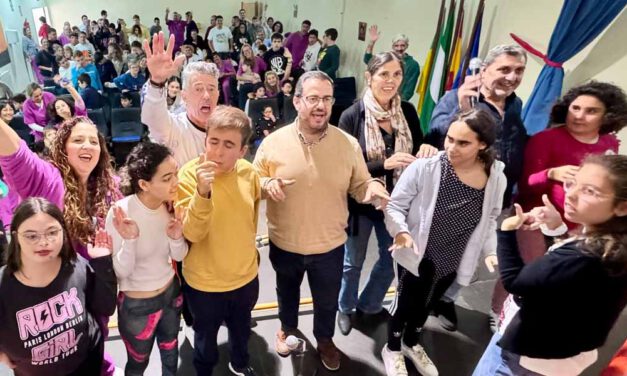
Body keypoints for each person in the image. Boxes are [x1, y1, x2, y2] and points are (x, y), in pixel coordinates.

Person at [253, 71, 391, 371]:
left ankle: (325, 339)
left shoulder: (347, 144)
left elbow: (359, 184)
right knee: (286, 292)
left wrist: (373, 189)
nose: (321, 106)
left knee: (327, 301)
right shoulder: (272, 143)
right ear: (297, 100)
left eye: (327, 99)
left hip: (329, 245)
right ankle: (287, 328)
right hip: (285, 242)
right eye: (313, 98)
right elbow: (254, 180)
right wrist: (266, 185)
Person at [473, 154, 627, 376]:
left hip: (524, 359)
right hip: (561, 356)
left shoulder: (584, 257)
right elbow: (564, 275)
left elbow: (516, 281)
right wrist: (556, 228)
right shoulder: (612, 247)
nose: (571, 194)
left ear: (622, 207)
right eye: (572, 183)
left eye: (590, 191)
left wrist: (506, 231)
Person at [383, 109, 505, 376]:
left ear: (483, 144)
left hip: (453, 257)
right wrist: (401, 232)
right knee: (404, 305)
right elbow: (395, 206)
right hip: (416, 254)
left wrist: (490, 250)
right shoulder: (426, 167)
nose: (451, 148)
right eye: (449, 139)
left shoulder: (495, 177)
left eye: (463, 143)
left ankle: (411, 343)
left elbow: (491, 217)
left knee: (427, 305)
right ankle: (392, 348)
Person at [0, 116, 121, 376]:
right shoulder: (48, 179)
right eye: (78, 140)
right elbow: (16, 153)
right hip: (49, 316)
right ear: (62, 147)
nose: (87, 145)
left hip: (90, 305)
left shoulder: (108, 187)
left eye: (93, 141)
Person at [427, 44, 528, 332]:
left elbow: (514, 143)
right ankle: (424, 302)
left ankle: (446, 299)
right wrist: (461, 110)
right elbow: (436, 137)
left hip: (498, 197)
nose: (512, 77)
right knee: (444, 255)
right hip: (459, 198)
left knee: (472, 259)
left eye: (518, 70)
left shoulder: (515, 105)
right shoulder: (459, 99)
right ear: (483, 71)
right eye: (504, 69)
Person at [336, 52, 437, 336]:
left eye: (396, 75)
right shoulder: (351, 116)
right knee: (352, 261)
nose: (390, 81)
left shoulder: (408, 111)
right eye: (383, 74)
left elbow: (419, 146)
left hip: (398, 203)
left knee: (391, 258)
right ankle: (344, 307)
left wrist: (427, 147)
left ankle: (369, 303)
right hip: (362, 204)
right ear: (369, 77)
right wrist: (385, 164)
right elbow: (345, 167)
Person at [176, 106, 261, 376]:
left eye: (229, 145)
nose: (219, 151)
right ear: (205, 140)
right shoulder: (189, 176)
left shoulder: (249, 173)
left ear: (242, 150)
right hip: (204, 283)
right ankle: (203, 370)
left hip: (244, 277)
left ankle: (240, 362)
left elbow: (249, 218)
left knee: (241, 329)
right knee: (205, 337)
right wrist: (203, 192)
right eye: (214, 142)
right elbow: (192, 233)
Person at [0, 197, 117, 376]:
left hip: (87, 365)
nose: (44, 242)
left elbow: (105, 307)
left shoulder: (76, 265)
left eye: (52, 232)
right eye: (32, 236)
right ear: (16, 236)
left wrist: (102, 262)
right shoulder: (3, 286)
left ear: (63, 232)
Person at [105, 142, 188, 376]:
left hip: (171, 294)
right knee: (138, 364)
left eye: (177, 174)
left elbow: (180, 256)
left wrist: (176, 238)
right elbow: (120, 273)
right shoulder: (122, 212)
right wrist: (130, 240)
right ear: (144, 184)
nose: (176, 182)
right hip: (138, 305)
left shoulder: (170, 206)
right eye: (167, 178)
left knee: (171, 355)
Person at [142, 32, 220, 166]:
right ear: (184, 96)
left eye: (211, 89)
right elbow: (154, 118)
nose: (207, 95)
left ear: (218, 95)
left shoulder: (226, 129)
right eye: (199, 89)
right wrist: (157, 81)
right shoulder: (173, 127)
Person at [364, 25, 420, 102]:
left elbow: (408, 91)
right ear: (393, 47)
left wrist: (394, 104)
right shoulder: (387, 59)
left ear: (407, 46)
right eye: (396, 46)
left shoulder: (413, 65)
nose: (399, 48)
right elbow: (368, 59)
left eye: (402, 45)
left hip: (397, 103)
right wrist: (372, 42)